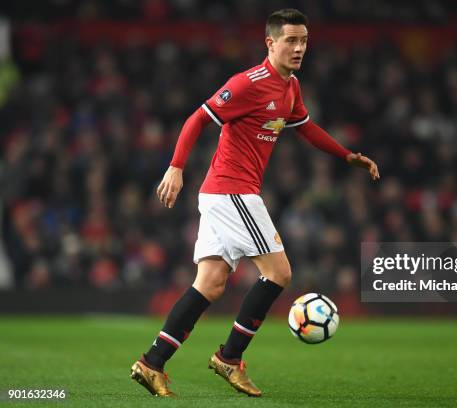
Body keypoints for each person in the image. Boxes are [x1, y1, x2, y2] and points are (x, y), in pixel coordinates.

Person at [130, 8, 380, 398]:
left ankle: (152, 362)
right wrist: (176, 167)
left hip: (226, 193)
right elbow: (198, 118)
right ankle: (230, 359)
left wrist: (346, 155)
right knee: (279, 273)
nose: (299, 48)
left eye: (304, 41)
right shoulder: (249, 83)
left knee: (209, 285)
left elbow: (307, 128)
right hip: (233, 191)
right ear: (270, 43)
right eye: (291, 41)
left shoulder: (291, 87)